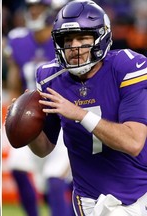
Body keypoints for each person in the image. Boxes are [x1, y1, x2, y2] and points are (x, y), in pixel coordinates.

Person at [25, 0, 147, 215]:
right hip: (90, 198)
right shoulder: (49, 77)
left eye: (83, 38)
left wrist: (79, 114)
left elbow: (133, 142)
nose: (74, 47)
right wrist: (25, 123)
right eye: (67, 39)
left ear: (101, 37)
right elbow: (43, 149)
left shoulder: (127, 67)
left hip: (140, 192)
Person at [4, 0, 73, 215]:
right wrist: (14, 110)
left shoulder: (65, 41)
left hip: (61, 116)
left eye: (39, 7)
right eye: (31, 7)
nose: (33, 11)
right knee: (18, 167)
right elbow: (15, 82)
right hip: (32, 118)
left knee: (55, 180)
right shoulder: (18, 39)